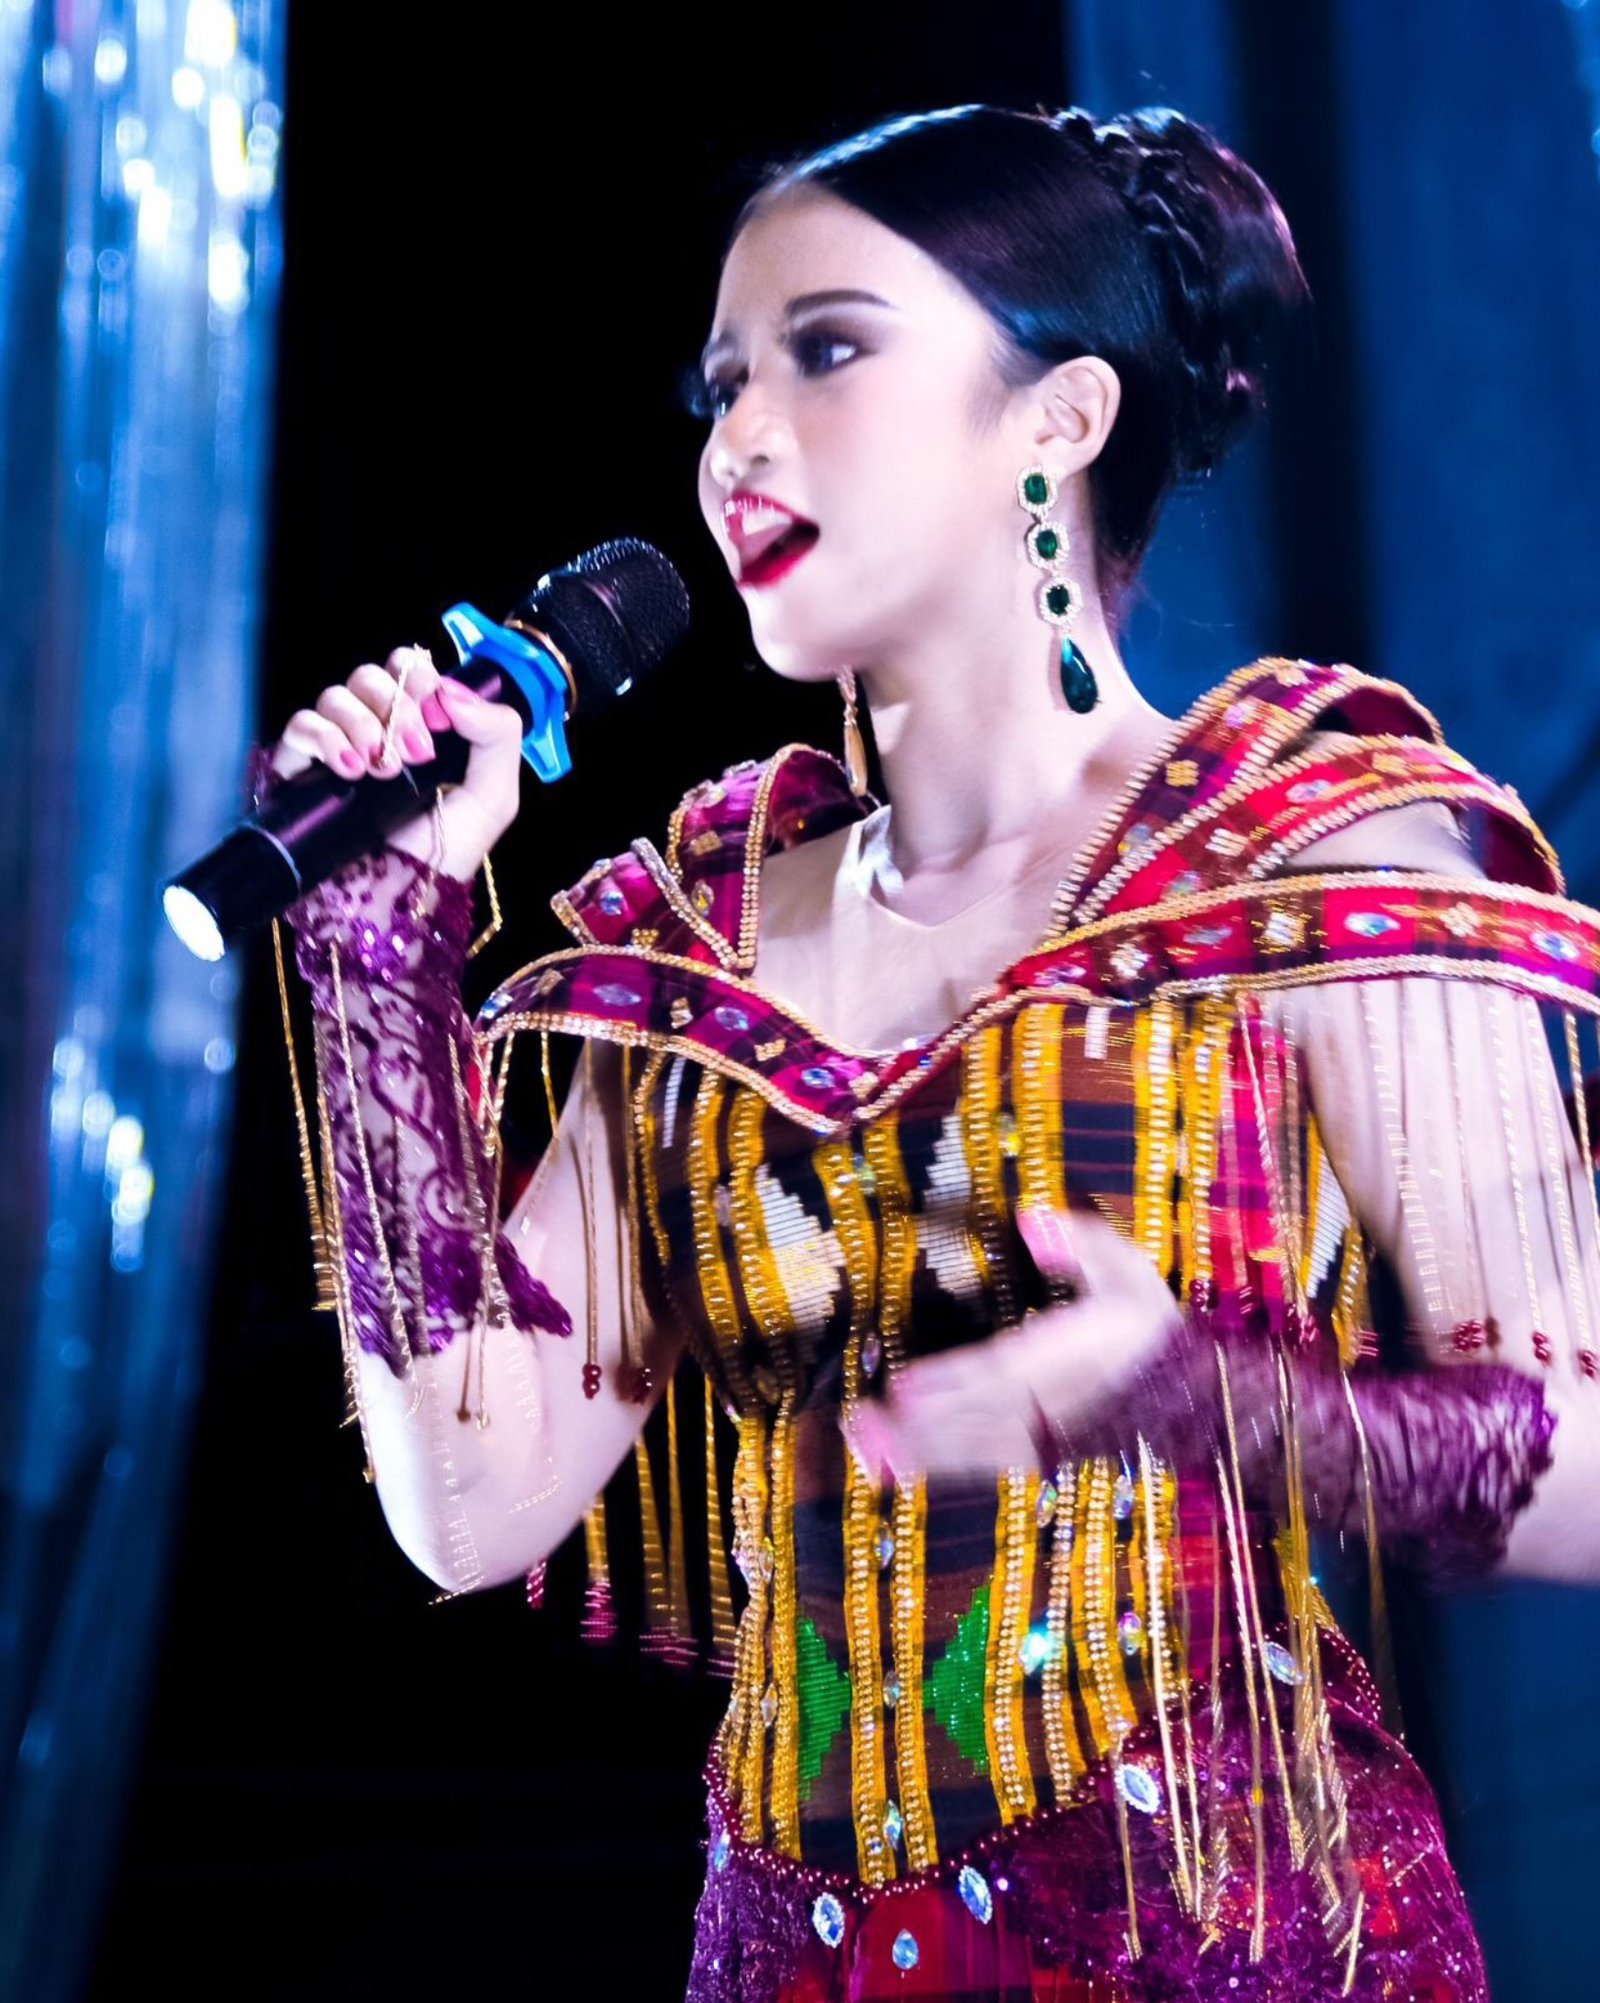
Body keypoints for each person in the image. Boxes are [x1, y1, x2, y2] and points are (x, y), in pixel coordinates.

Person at [248, 103, 1600, 2002]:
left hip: (1229, 1944)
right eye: (723, 382)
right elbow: (467, 1505)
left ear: (1060, 416)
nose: (737, 440)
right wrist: (376, 950)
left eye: (827, 349)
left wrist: (1223, 1407)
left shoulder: (1297, 853)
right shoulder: (700, 945)